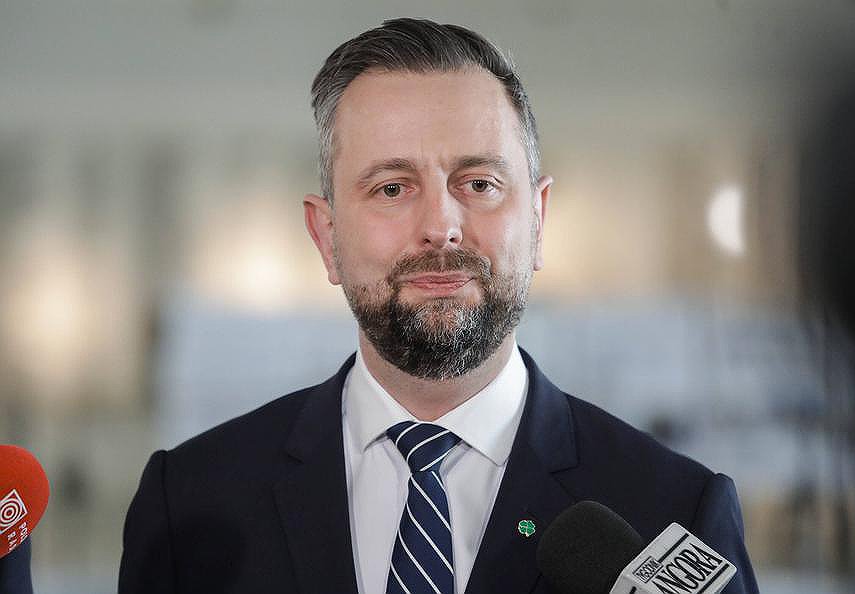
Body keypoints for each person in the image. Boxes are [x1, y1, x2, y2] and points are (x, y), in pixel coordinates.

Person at [119, 18, 759, 594]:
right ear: (326, 237)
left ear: (538, 220)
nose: (441, 227)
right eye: (392, 188)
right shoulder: (190, 501)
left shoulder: (675, 512)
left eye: (479, 183)